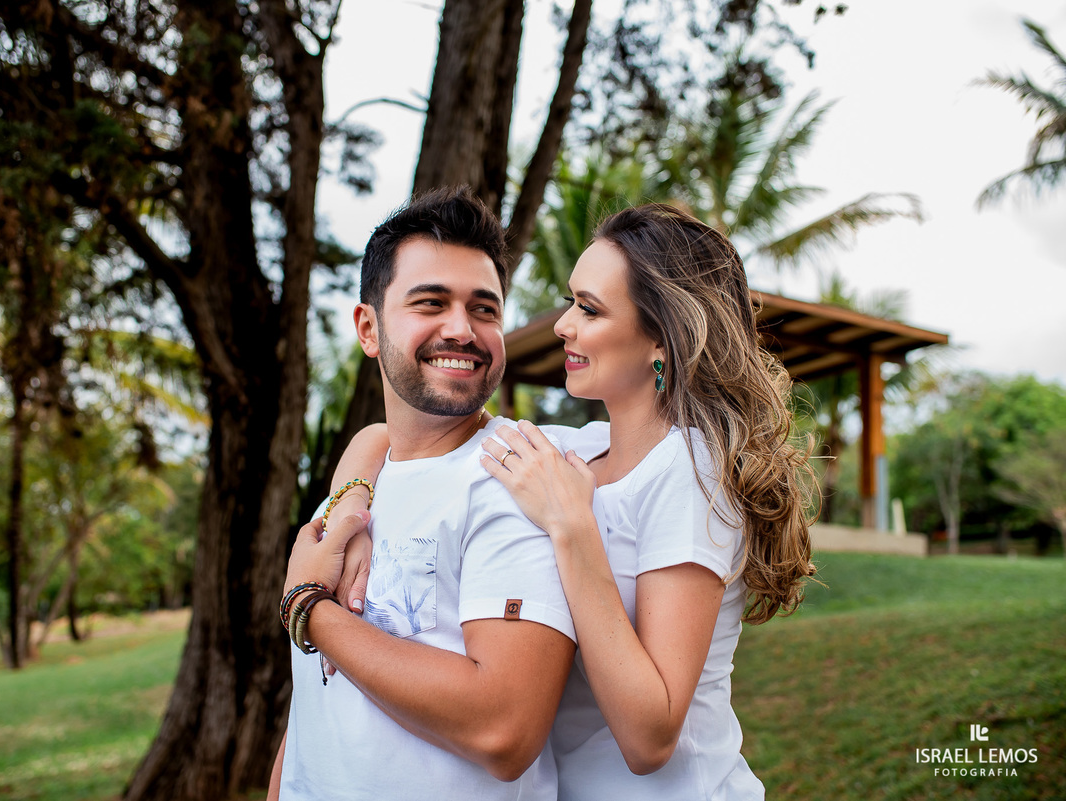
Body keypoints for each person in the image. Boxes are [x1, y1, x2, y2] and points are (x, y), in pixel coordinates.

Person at [330, 203, 817, 799]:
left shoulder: (690, 472)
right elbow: (391, 433)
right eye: (571, 302)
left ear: (660, 338)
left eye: (589, 309)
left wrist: (572, 530)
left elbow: (650, 737)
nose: (563, 325)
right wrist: (349, 508)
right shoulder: (579, 451)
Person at [270, 186, 576, 801]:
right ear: (368, 327)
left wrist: (308, 607)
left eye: (484, 309)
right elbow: (316, 704)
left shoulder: (516, 476)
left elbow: (504, 728)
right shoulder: (360, 480)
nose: (461, 330)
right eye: (430, 303)